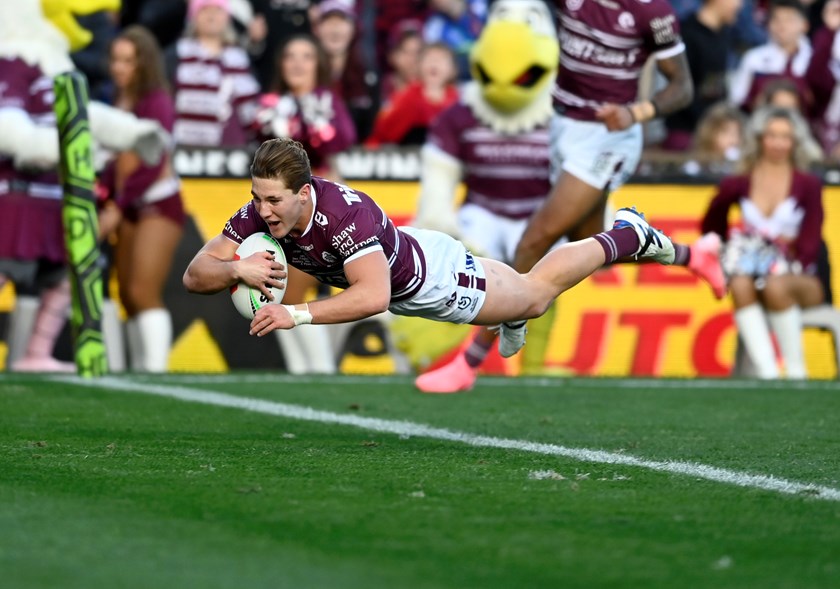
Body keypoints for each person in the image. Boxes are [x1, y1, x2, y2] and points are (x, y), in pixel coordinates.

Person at [417, 0, 719, 391]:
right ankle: (695, 255)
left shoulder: (651, 11)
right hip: (565, 128)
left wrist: (637, 112)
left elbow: (683, 87)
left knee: (535, 240)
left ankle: (474, 358)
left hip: (609, 139)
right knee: (594, 250)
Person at [183, 138, 677, 346]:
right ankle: (511, 313)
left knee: (535, 294)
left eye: (273, 200)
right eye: (257, 198)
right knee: (522, 296)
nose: (262, 210)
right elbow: (195, 274)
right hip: (406, 263)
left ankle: (627, 233)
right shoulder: (259, 212)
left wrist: (298, 314)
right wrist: (234, 270)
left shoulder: (342, 217)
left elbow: (373, 296)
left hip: (430, 279)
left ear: (304, 194)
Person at [410, 0, 561, 391]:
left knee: (552, 267)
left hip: (537, 213)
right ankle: (434, 353)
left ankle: (534, 364)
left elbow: (581, 175)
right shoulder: (462, 113)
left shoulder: (563, 112)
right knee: (459, 271)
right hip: (484, 212)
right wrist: (439, 218)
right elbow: (439, 169)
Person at [701, 107, 825, 379]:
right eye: (772, 135)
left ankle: (796, 373)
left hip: (801, 278)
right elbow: (711, 225)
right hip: (753, 273)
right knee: (740, 282)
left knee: (774, 284)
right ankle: (767, 374)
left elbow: (812, 241)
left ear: (795, 142)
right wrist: (731, 245)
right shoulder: (739, 182)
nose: (779, 143)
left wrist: (785, 248)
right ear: (759, 139)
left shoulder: (808, 184)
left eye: (785, 137)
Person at [100, 25, 185, 372]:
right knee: (127, 297)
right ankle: (138, 376)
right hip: (129, 208)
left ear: (144, 64)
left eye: (128, 61)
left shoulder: (157, 101)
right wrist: (106, 199)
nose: (119, 68)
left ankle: (156, 373)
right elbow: (109, 164)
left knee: (142, 291)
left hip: (159, 206)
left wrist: (116, 207)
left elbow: (152, 161)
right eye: (116, 60)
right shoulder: (116, 100)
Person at [169, 0, 260, 147]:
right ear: (193, 16)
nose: (211, 16)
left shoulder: (241, 57)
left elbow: (254, 105)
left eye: (218, 10)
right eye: (204, 9)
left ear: (227, 17)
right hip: (185, 148)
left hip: (234, 149)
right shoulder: (176, 54)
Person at [365, 42, 459, 147]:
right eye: (429, 58)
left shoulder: (459, 101)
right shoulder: (406, 97)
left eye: (441, 59)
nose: (435, 63)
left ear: (452, 70)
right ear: (419, 65)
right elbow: (382, 133)